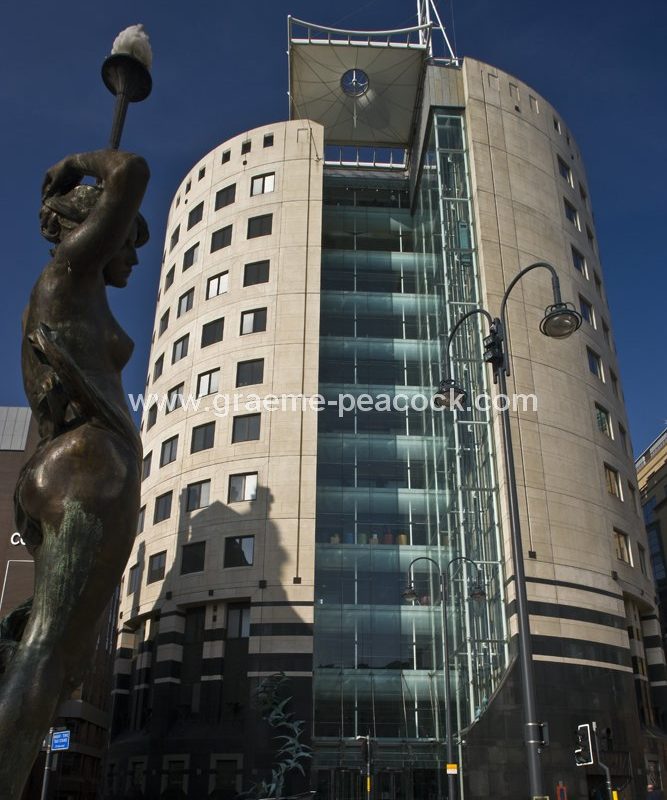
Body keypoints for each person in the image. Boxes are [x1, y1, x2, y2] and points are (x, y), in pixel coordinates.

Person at [0, 149, 149, 799]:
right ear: (95, 231)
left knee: (60, 658)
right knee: (49, 652)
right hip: (87, 467)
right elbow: (132, 171)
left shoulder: (68, 290)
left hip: (67, 465)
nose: (134, 259)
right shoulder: (68, 273)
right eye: (127, 241)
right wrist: (72, 164)